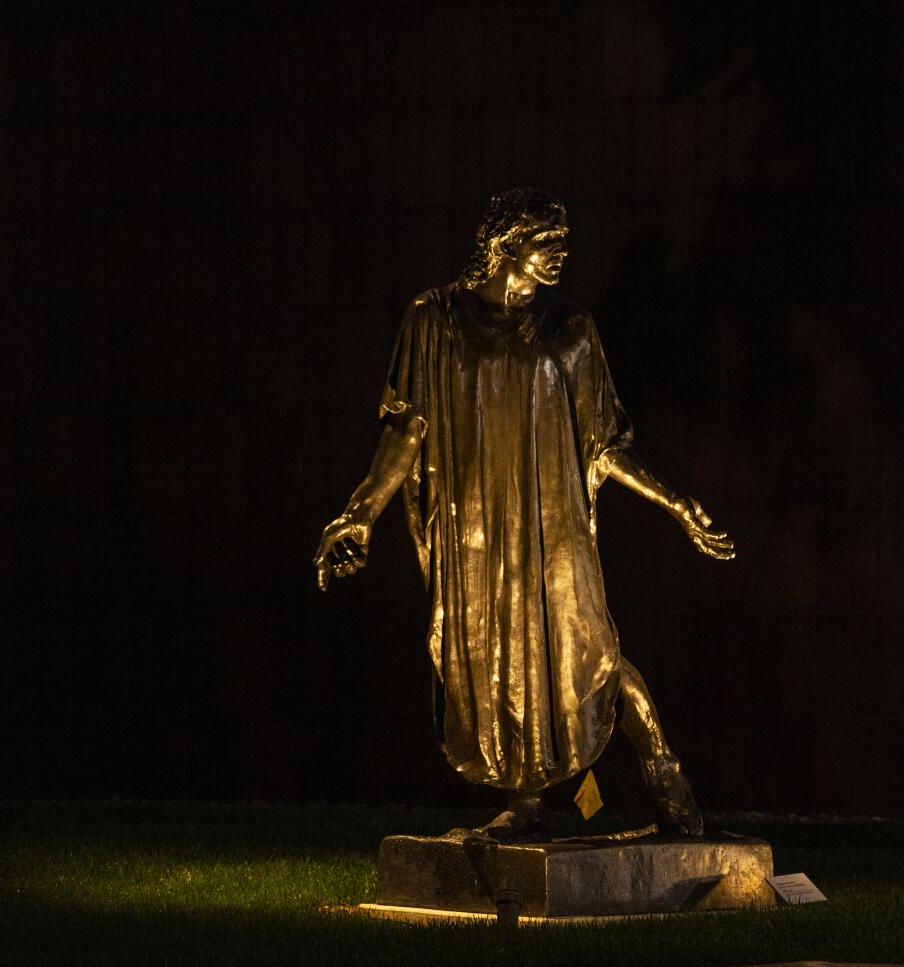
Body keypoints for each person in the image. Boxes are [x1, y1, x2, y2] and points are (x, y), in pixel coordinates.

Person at [313, 188, 733, 837]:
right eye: (548, 243)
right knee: (497, 664)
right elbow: (406, 434)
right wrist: (360, 513)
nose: (562, 255)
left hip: (555, 527)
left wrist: (677, 503)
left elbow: (606, 444)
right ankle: (526, 802)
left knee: (590, 653)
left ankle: (663, 771)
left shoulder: (572, 330)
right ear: (507, 245)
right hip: (478, 532)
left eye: (564, 243)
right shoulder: (435, 320)